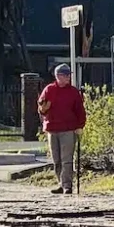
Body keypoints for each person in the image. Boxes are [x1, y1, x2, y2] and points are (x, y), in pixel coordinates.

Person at [37, 64, 86, 195]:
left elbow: (80, 110)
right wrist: (43, 108)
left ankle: (67, 186)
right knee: (56, 160)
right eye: (66, 75)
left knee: (67, 158)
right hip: (52, 129)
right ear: (58, 76)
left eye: (69, 75)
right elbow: (41, 108)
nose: (68, 77)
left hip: (68, 129)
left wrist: (80, 126)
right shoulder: (49, 90)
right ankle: (61, 183)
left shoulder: (73, 92)